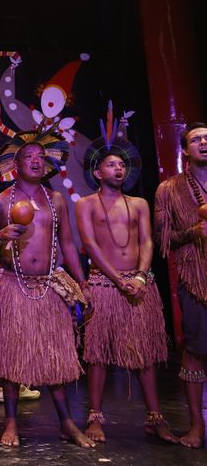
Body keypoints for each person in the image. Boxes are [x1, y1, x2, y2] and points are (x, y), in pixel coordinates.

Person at [0, 126, 95, 448]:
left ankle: (67, 423)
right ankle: (11, 423)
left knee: (56, 357)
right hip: (12, 286)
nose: (36, 161)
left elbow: (67, 244)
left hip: (47, 286)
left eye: (41, 157)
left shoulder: (56, 199)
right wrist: (0, 236)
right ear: (16, 165)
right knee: (12, 358)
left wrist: (81, 282)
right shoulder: (1, 201)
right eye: (29, 157)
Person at [76, 133, 175, 443]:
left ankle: (155, 418)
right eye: (111, 165)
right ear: (97, 172)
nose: (118, 169)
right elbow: (90, 245)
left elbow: (147, 241)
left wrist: (141, 277)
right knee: (98, 354)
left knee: (144, 353)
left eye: (121, 165)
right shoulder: (85, 204)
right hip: (106, 285)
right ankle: (95, 418)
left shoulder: (139, 204)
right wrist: (119, 281)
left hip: (138, 283)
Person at [154, 122, 207, 448]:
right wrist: (192, 232)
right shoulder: (168, 189)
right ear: (185, 150)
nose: (204, 143)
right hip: (195, 280)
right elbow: (164, 241)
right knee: (196, 351)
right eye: (197, 140)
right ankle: (197, 426)